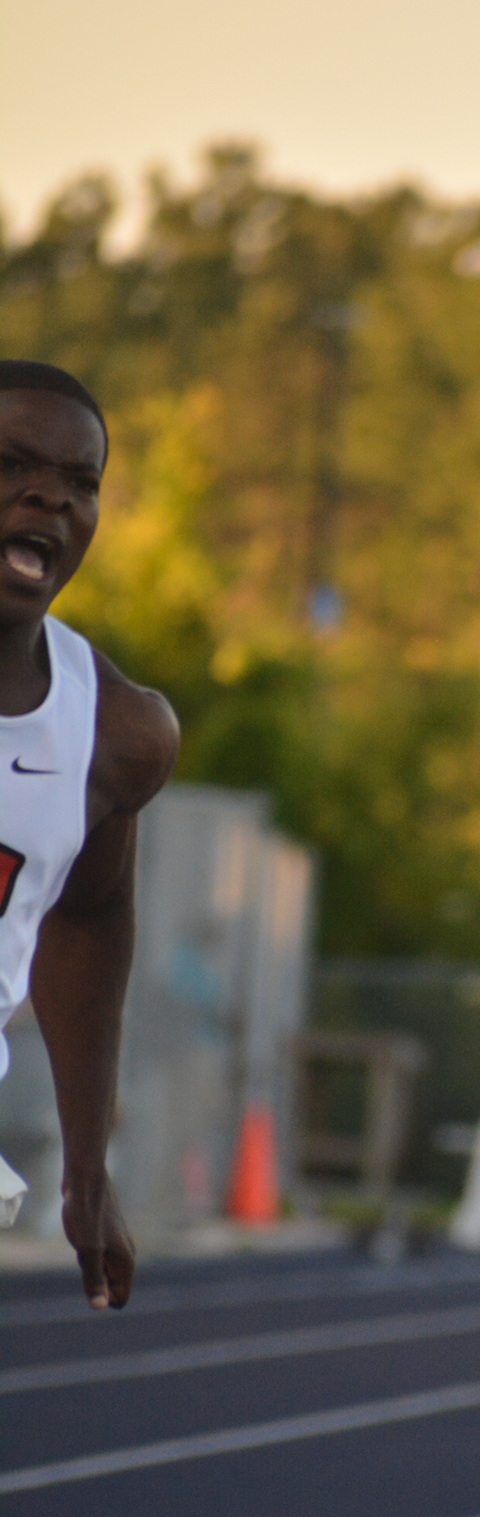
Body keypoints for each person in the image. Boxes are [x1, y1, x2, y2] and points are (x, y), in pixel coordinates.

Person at [0, 359, 178, 1308]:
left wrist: (86, 1171)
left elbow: (88, 923)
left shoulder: (117, 732)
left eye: (81, 484)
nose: (47, 496)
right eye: (13, 464)